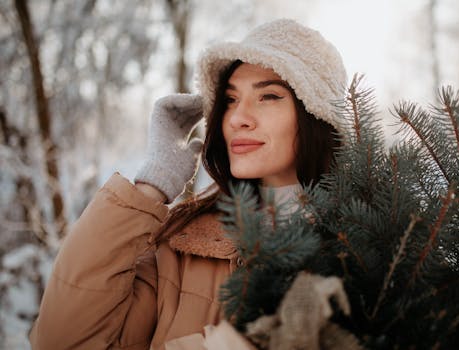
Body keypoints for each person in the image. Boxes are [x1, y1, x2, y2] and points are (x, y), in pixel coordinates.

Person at [29, 18, 348, 350]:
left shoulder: (376, 248)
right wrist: (155, 180)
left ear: (315, 115)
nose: (238, 117)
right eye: (230, 100)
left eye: (268, 96)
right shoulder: (181, 246)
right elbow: (62, 341)